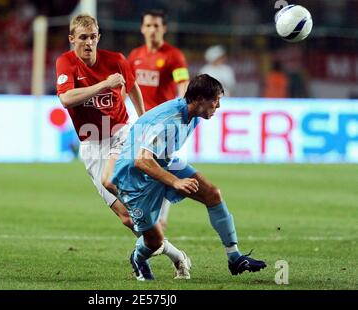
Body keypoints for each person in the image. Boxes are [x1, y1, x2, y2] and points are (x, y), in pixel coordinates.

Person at [56, 14, 190, 279]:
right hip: (92, 145)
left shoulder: (116, 59)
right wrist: (104, 84)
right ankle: (177, 256)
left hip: (121, 134)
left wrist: (143, 119)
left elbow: (133, 87)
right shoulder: (66, 63)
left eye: (93, 37)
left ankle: (159, 191)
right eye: (82, 37)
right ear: (72, 39)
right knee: (129, 219)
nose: (88, 43)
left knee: (113, 182)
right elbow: (67, 99)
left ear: (99, 37)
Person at [111, 74, 267, 280]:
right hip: (134, 178)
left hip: (164, 161)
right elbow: (141, 160)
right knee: (154, 242)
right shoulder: (170, 121)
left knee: (212, 194)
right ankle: (138, 259)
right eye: (216, 100)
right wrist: (175, 181)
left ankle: (235, 257)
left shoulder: (192, 114)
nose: (218, 106)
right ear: (201, 99)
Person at [128, 9, 190, 229]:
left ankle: (160, 218)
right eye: (149, 25)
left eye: (157, 26)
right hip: (139, 121)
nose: (152, 30)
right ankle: (148, 213)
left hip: (163, 123)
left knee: (158, 168)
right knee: (139, 167)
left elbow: (183, 83)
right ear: (142, 28)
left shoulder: (173, 55)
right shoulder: (135, 56)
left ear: (163, 29)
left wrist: (181, 109)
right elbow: (128, 86)